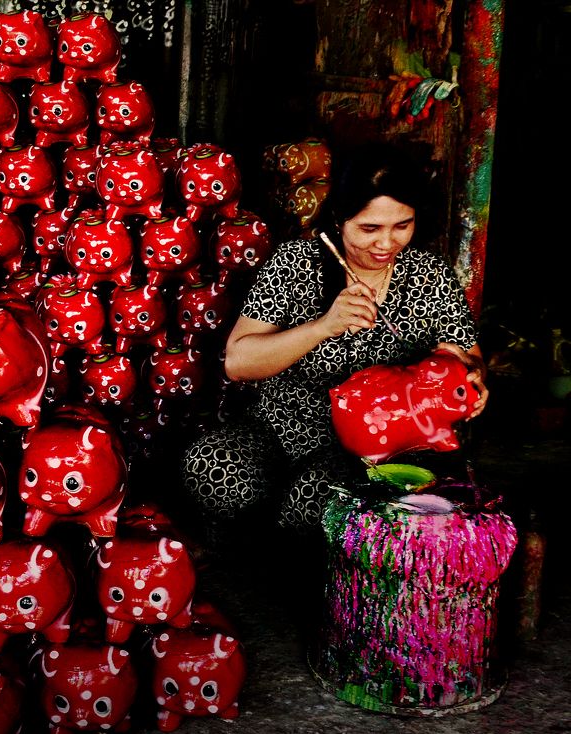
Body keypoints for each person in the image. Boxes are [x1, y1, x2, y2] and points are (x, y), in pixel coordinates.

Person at [182, 143, 489, 536]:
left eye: (402, 226)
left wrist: (471, 378)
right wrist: (323, 326)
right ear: (340, 219)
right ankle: (251, 540)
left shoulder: (429, 274)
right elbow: (239, 363)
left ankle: (290, 545)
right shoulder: (295, 263)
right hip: (281, 426)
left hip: (374, 446)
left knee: (316, 499)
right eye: (369, 229)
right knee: (212, 466)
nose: (386, 244)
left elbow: (469, 360)